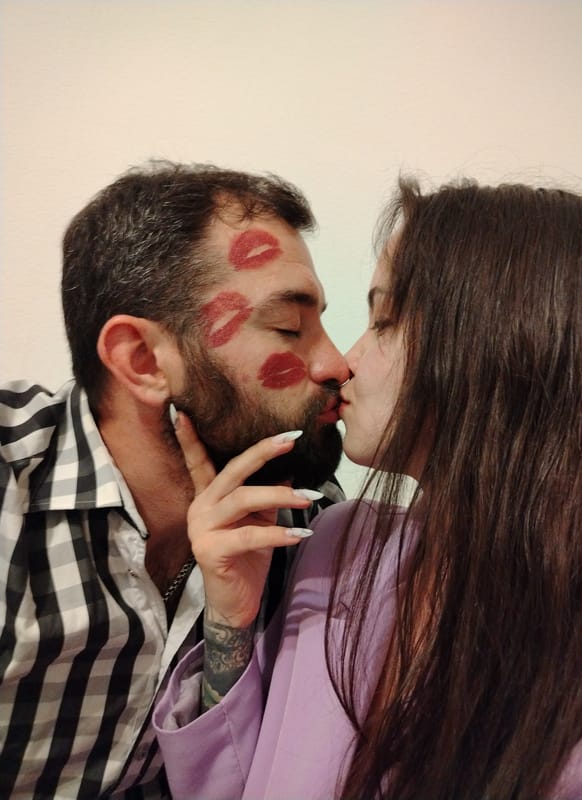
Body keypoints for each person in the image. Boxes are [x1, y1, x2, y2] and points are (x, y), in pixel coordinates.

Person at [153, 176, 582, 800]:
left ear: (501, 344)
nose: (343, 363)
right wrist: (231, 618)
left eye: (385, 320)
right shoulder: (337, 543)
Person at [0, 161, 350, 799]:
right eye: (288, 327)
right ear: (142, 360)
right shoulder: (10, 484)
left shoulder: (303, 517)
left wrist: (229, 632)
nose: (336, 363)